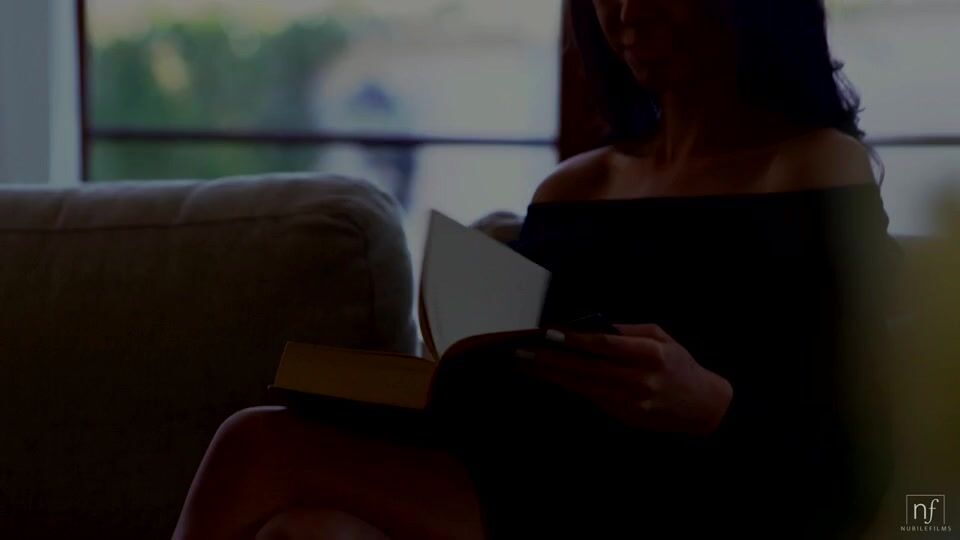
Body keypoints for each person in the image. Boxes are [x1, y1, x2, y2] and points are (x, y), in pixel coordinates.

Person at [173, 1, 903, 538]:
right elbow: (512, 390)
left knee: (254, 446)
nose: (625, 14)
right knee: (307, 530)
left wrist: (710, 403)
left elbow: (853, 445)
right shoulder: (575, 187)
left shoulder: (813, 168)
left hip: (700, 498)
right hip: (537, 486)